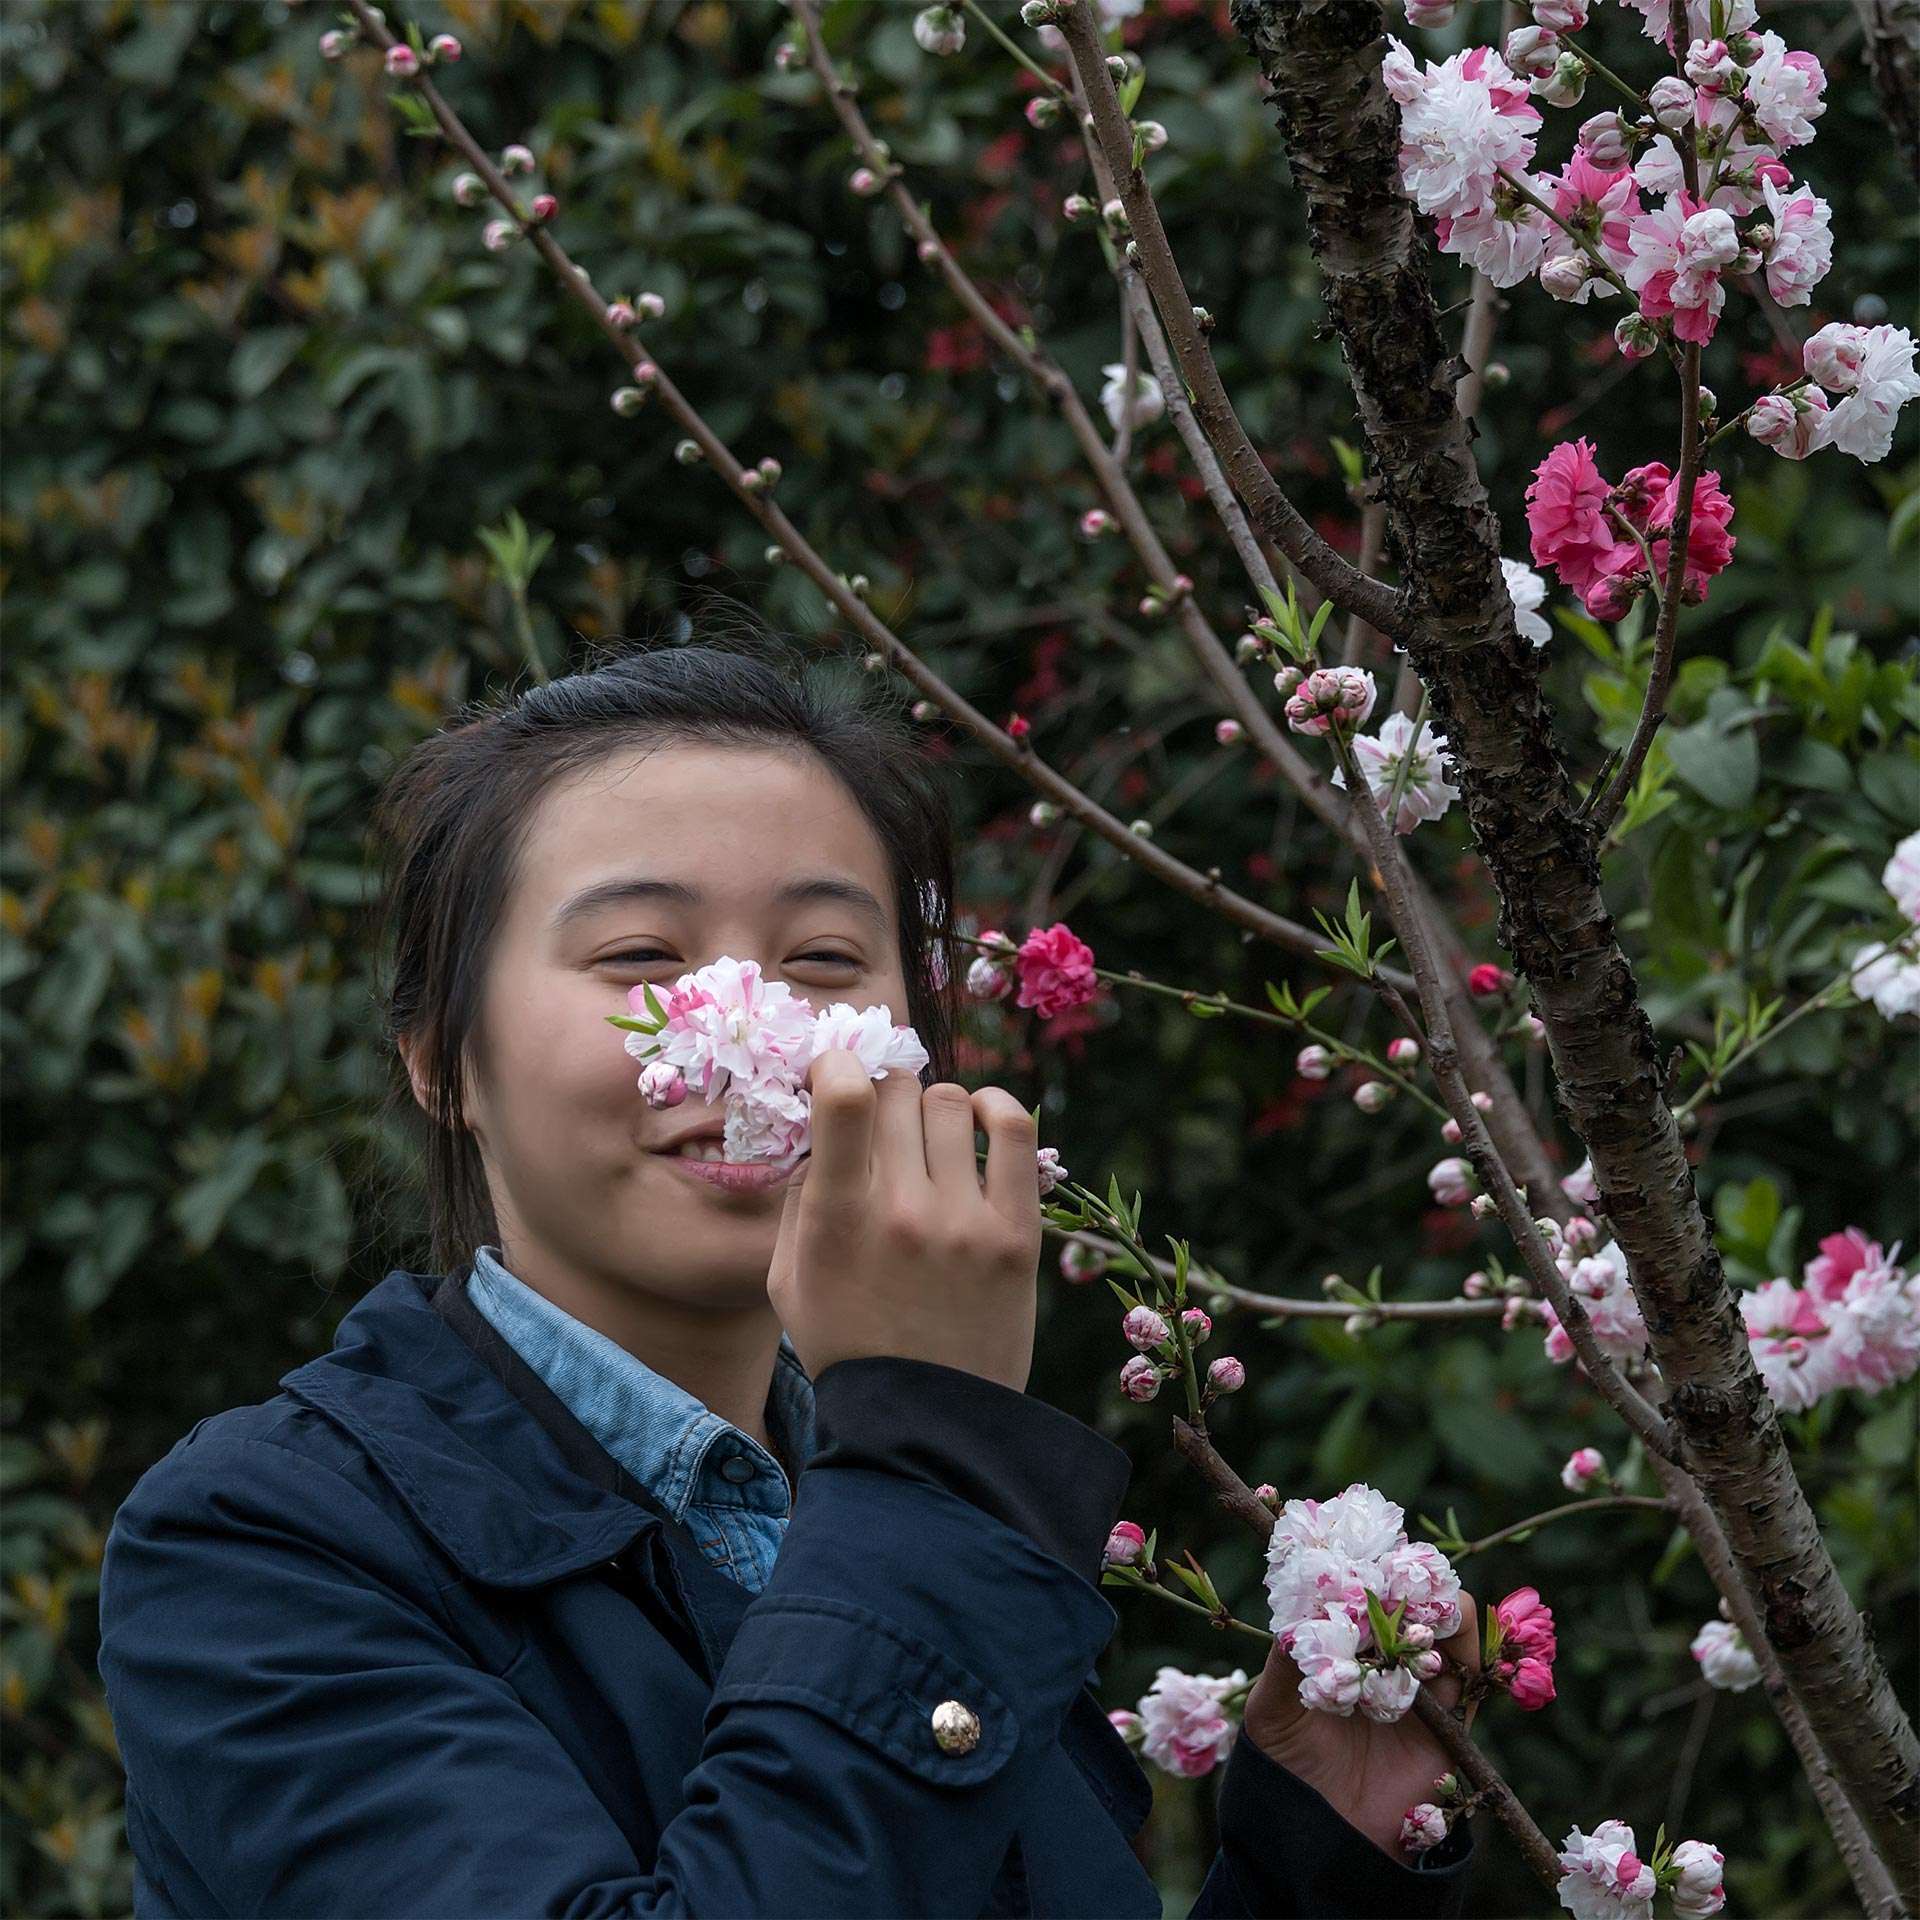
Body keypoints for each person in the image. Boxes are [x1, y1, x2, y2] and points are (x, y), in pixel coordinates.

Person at [96, 624, 1479, 1917]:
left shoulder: (907, 1499)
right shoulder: (259, 1547)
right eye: (641, 955)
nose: (756, 1033)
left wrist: (1314, 1856)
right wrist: (934, 1456)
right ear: (441, 1055)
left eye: (824, 962)